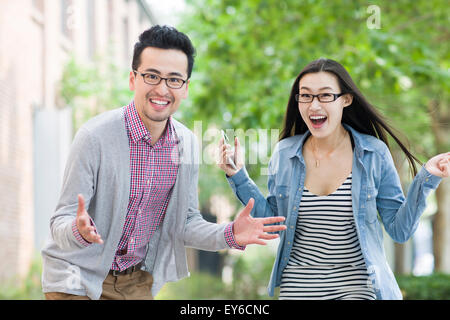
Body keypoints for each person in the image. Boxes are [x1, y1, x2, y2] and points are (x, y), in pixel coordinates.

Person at [41, 25, 286, 300]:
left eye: (174, 80)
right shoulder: (94, 137)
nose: (162, 89)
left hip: (135, 281)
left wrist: (230, 234)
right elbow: (61, 219)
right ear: (133, 79)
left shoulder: (186, 144)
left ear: (186, 87)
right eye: (152, 76)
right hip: (76, 274)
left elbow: (185, 223)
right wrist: (79, 230)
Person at [218, 58, 449, 300]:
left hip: (358, 289)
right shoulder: (285, 153)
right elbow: (273, 222)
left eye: (325, 96)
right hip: (298, 288)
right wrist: (238, 175)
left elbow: (399, 230)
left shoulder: (373, 153)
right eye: (305, 96)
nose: (313, 105)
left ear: (346, 100)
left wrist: (427, 177)